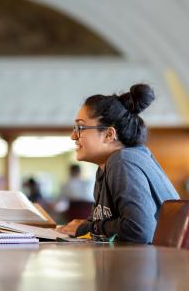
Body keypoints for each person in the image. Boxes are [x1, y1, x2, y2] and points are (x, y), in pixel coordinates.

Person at [56, 84, 179, 243]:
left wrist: (90, 227)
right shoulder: (108, 166)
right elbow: (103, 224)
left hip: (157, 265)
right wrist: (88, 225)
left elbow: (139, 230)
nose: (73, 136)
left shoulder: (123, 162)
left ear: (108, 134)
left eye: (80, 127)